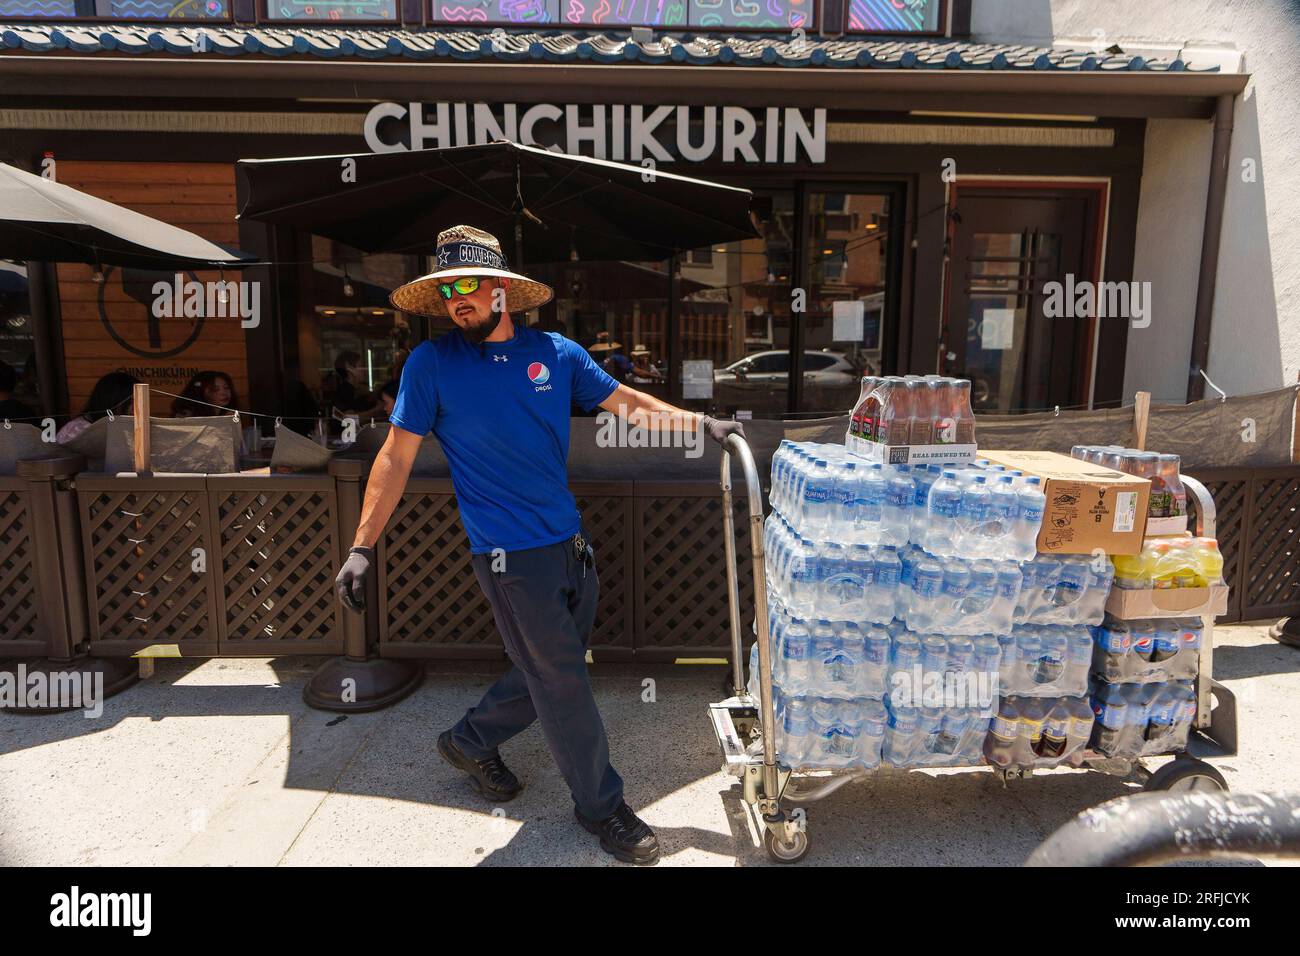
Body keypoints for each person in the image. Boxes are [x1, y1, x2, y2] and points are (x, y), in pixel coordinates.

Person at [334, 225, 743, 865]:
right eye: (446, 291)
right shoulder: (432, 365)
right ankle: (602, 808)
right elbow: (394, 457)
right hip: (508, 559)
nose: (456, 301)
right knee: (564, 682)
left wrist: (704, 424)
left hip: (570, 546)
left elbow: (628, 405)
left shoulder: (557, 354)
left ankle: (471, 739)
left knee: (545, 670)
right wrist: (362, 546)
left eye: (467, 286)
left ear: (502, 290)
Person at [56, 370, 139, 443]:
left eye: (139, 402)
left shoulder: (125, 427)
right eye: (131, 402)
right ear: (112, 401)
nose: (136, 408)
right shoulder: (77, 431)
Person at [172, 370, 238, 417]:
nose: (224, 393)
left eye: (226, 388)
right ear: (199, 392)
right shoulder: (187, 415)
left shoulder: (230, 413)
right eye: (215, 389)